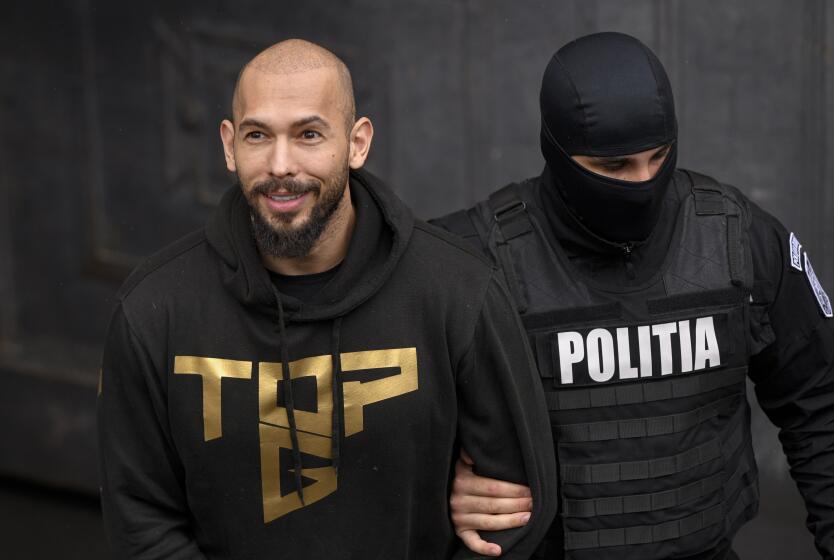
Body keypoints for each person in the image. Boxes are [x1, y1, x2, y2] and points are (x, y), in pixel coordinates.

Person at [97, 38, 557, 559]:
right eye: (257, 135)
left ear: (357, 143)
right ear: (229, 146)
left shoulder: (458, 292)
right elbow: (142, 523)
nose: (280, 164)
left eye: (309, 134)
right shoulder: (155, 310)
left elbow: (514, 512)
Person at [433, 32, 834, 559]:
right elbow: (385, 430)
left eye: (658, 158)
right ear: (556, 153)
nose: (643, 182)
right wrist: (444, 486)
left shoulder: (738, 238)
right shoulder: (470, 257)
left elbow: (823, 403)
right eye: (613, 168)